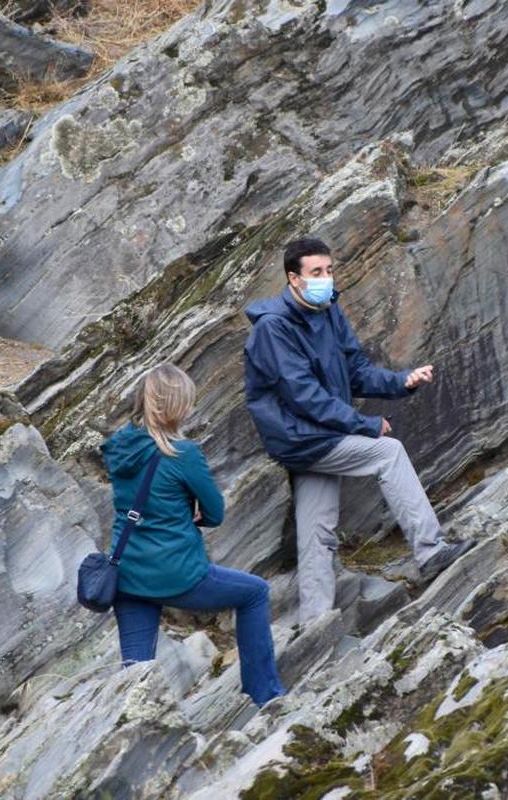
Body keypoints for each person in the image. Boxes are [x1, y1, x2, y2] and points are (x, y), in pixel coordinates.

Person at [242, 237, 475, 625]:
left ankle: (315, 623)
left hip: (316, 435)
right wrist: (364, 425)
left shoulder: (329, 310)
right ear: (293, 279)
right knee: (388, 451)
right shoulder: (273, 329)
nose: (326, 278)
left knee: (316, 531)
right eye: (316, 272)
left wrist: (403, 382)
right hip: (302, 436)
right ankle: (431, 552)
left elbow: (357, 372)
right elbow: (304, 397)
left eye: (329, 270)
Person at [100, 363, 284, 706]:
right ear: (177, 407)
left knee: (135, 674)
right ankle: (265, 695)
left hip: (127, 574)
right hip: (177, 573)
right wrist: (188, 513)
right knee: (255, 593)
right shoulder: (183, 454)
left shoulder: (119, 449)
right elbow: (214, 512)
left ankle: (129, 728)